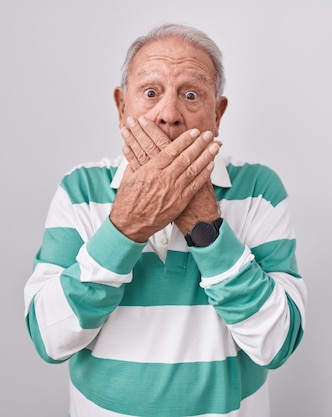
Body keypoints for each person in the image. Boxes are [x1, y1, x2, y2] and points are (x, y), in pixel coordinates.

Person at [24, 23, 307, 417]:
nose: (169, 115)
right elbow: (49, 339)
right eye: (151, 93)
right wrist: (125, 227)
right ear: (122, 106)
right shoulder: (80, 189)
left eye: (191, 95)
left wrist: (204, 223)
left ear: (218, 113)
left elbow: (276, 345)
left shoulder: (259, 189)